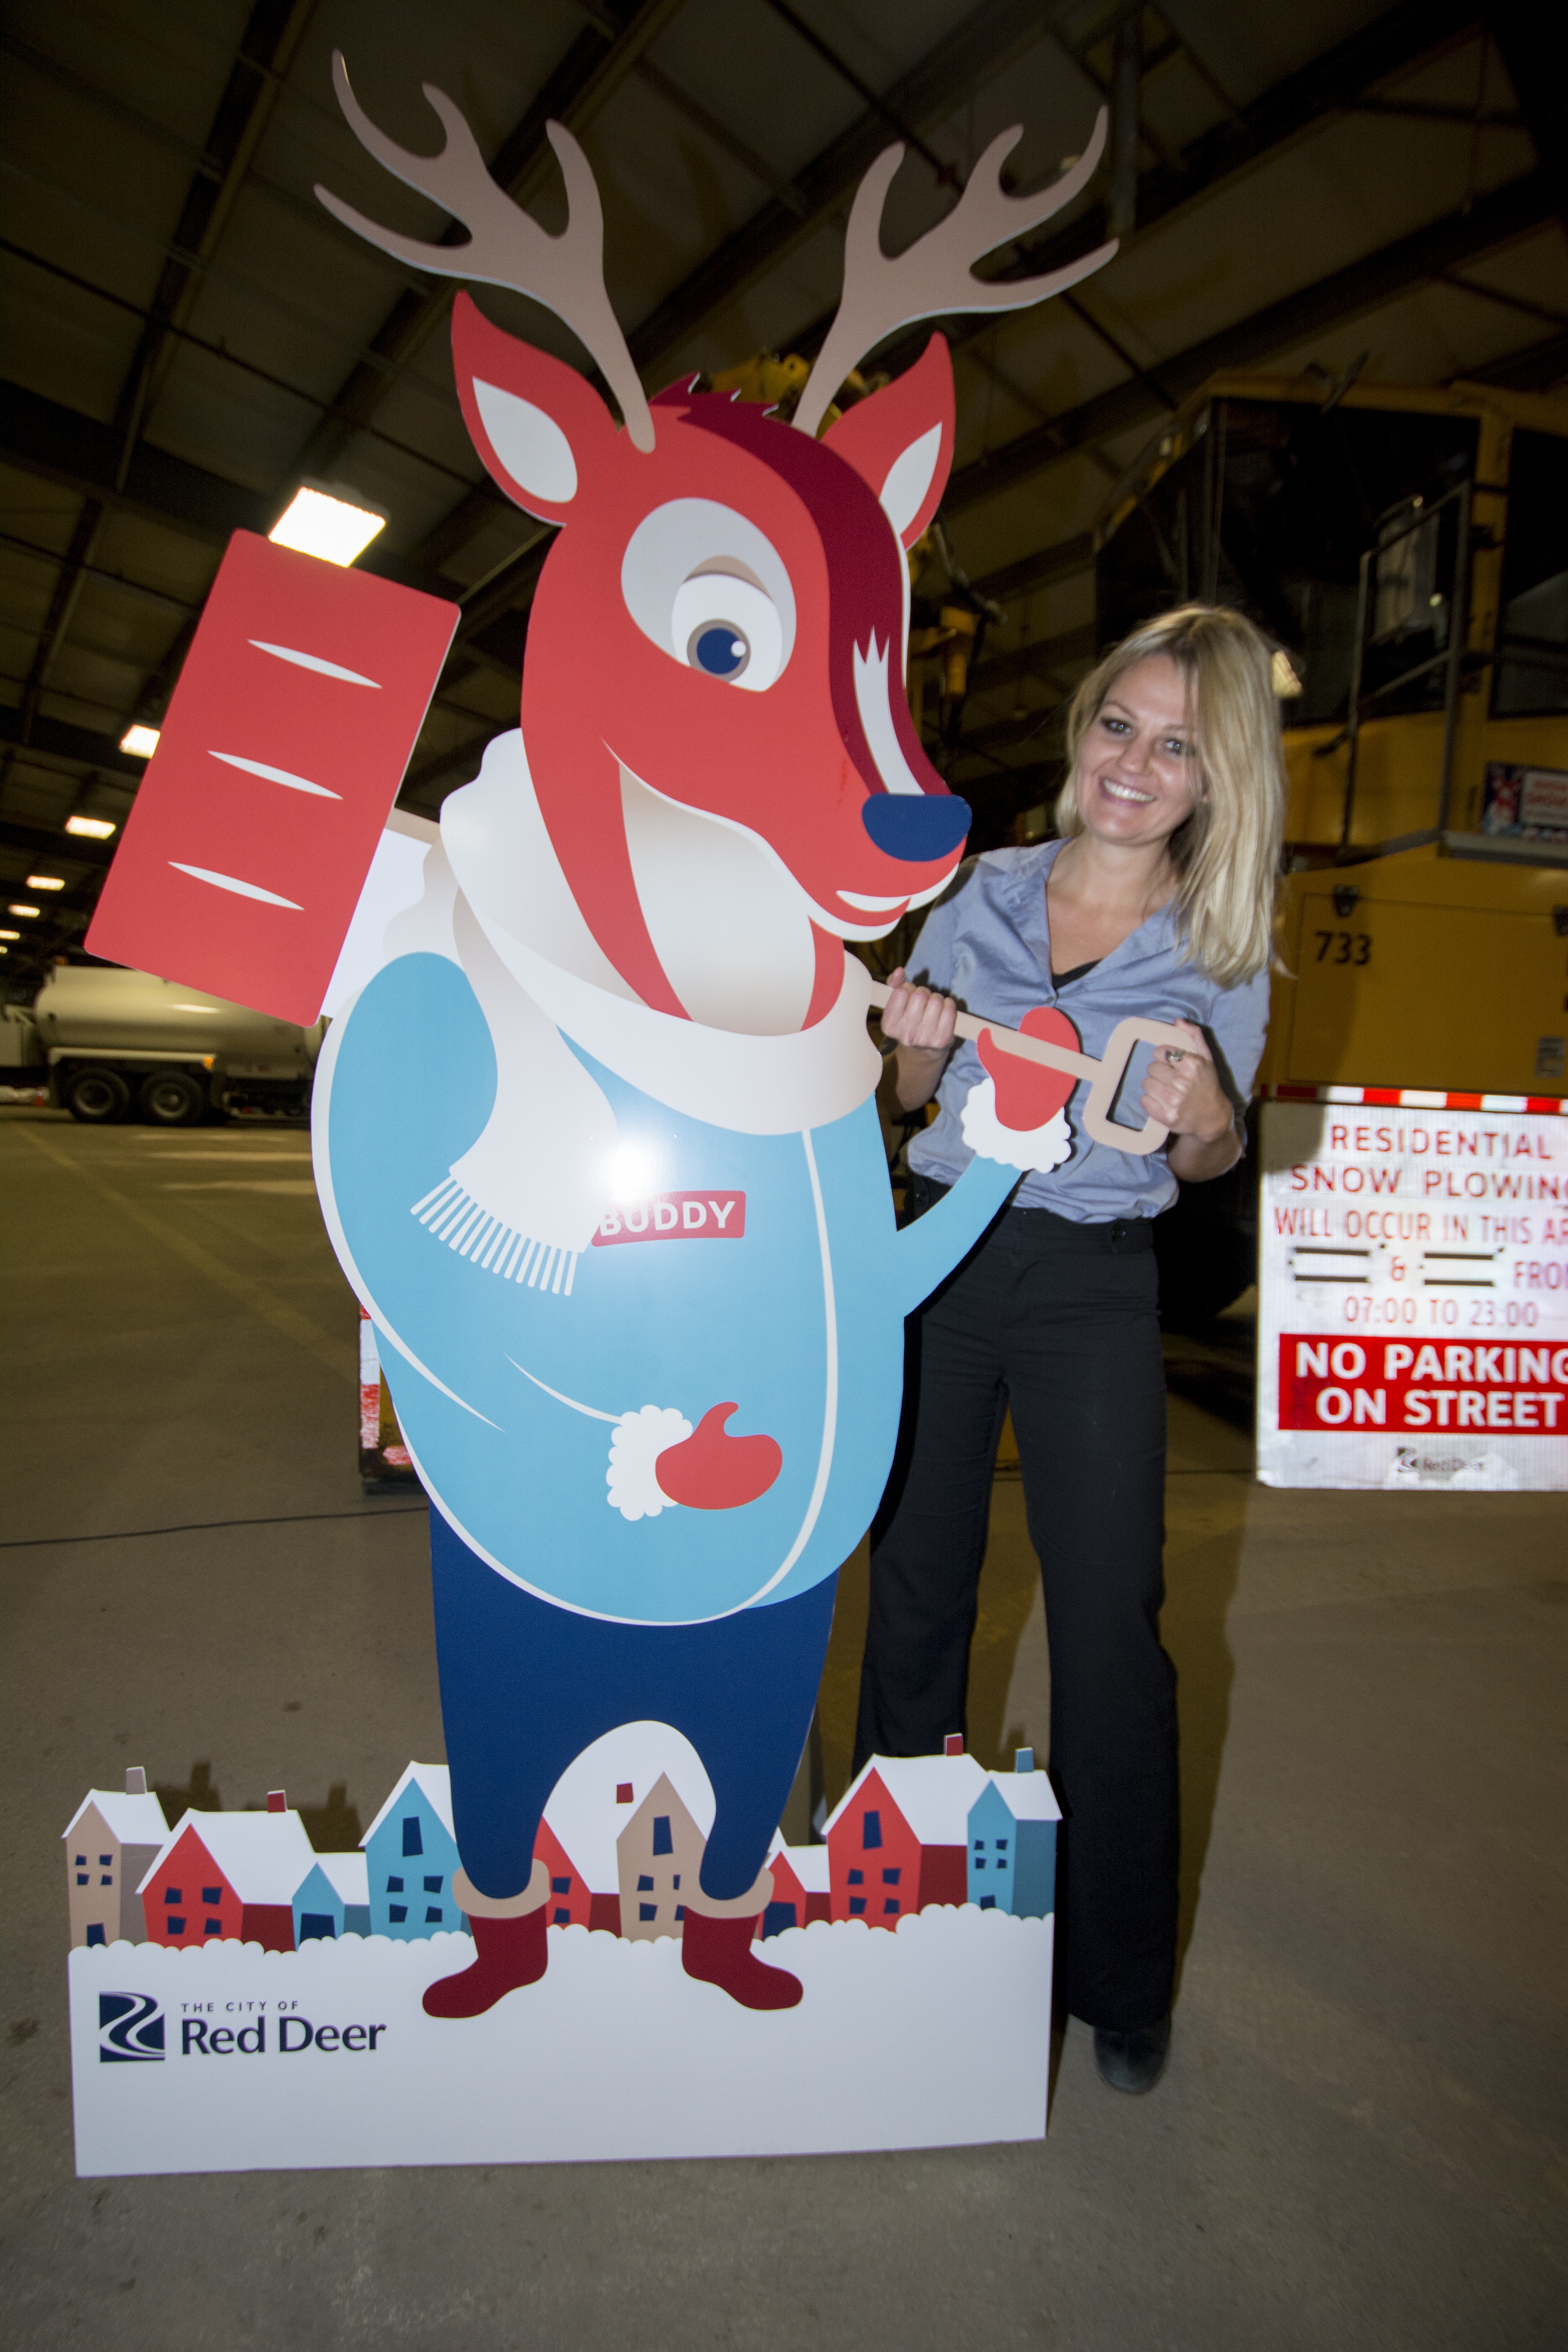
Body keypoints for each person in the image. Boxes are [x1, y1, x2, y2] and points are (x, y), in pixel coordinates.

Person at [858, 604, 1284, 2095]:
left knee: (1113, 1627)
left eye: (1178, 747)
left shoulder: (1223, 943)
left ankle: (1118, 1979)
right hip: (942, 1253)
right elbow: (911, 1091)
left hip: (1095, 1278)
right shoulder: (977, 888)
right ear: (1083, 727)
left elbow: (1221, 1156)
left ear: (1212, 779)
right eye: (1121, 725)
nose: (1136, 764)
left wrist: (1203, 1113)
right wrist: (914, 1034)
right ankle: (887, 1918)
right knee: (914, 1592)